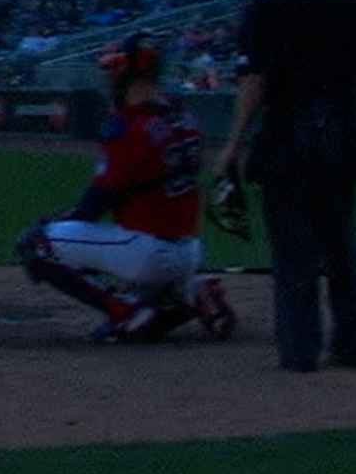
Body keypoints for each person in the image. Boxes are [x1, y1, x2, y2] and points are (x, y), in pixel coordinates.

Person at [213, 0, 356, 372]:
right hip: (339, 140)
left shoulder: (265, 10)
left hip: (286, 141)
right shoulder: (345, 4)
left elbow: (255, 83)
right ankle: (352, 345)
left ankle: (300, 350)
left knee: (294, 254)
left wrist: (233, 144)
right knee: (343, 247)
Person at [13, 34, 234, 343]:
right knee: (136, 254)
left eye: (115, 68)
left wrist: (59, 220)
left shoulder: (128, 125)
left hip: (148, 252)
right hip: (190, 248)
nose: (110, 76)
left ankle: (126, 313)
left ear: (130, 73)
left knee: (35, 243)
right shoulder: (181, 114)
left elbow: (93, 207)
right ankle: (192, 290)